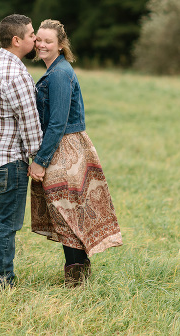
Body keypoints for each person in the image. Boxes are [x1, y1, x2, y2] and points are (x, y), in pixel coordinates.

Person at [27, 19, 123, 287]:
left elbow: (57, 122)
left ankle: (76, 279)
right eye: (39, 40)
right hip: (65, 146)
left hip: (65, 149)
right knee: (68, 213)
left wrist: (41, 161)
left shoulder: (58, 74)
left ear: (60, 44)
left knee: (66, 213)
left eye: (48, 41)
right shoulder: (54, 70)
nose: (42, 44)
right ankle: (79, 275)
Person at [0, 14, 43, 291]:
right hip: (6, 159)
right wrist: (38, 158)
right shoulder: (16, 74)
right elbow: (29, 121)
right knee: (7, 223)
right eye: (31, 34)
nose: (35, 38)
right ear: (17, 40)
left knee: (0, 218)